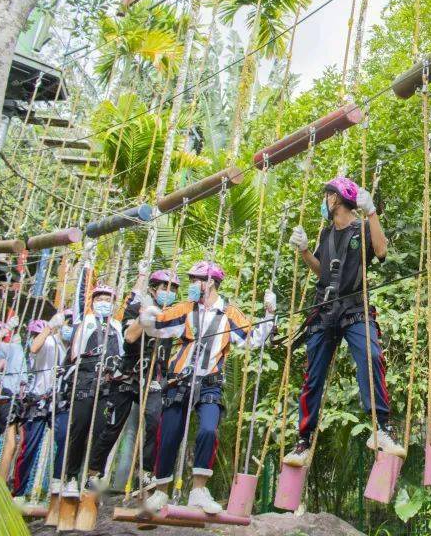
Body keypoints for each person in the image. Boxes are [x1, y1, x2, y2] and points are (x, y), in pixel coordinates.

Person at [282, 177, 402, 468]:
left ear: (335, 200)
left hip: (354, 308)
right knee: (313, 374)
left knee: (371, 356)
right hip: (325, 309)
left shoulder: (361, 229)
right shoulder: (326, 234)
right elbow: (322, 272)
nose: (324, 201)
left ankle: (381, 427)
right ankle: (303, 440)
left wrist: (371, 214)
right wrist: (305, 252)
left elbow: (382, 251)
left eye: (326, 196)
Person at [139, 261, 276, 515]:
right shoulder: (184, 309)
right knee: (168, 435)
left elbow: (253, 339)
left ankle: (199, 490)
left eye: (195, 280)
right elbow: (158, 326)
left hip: (210, 383)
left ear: (210, 282)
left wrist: (269, 314)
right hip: (180, 380)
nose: (191, 285)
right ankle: (161, 492)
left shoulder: (229, 314)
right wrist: (147, 315)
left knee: (208, 431)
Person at [85, 269, 179, 495]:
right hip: (128, 374)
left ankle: (146, 472)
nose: (169, 292)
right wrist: (143, 319)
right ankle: (93, 472)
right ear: (153, 289)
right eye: (164, 288)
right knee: (113, 426)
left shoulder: (172, 314)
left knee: (154, 421)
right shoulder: (136, 307)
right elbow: (129, 337)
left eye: (173, 289)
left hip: (153, 376)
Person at [59, 285, 123, 498]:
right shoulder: (84, 322)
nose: (104, 302)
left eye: (108, 299)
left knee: (101, 430)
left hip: (107, 383)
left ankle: (93, 474)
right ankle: (70, 476)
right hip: (85, 380)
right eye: (101, 298)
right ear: (94, 301)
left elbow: (122, 354)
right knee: (79, 428)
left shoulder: (116, 326)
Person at [13, 315, 64, 497]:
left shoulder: (68, 344)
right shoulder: (48, 341)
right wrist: (49, 327)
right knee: (29, 448)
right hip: (39, 400)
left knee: (65, 440)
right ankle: (18, 492)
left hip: (60, 401)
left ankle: (57, 488)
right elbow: (34, 347)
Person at [0, 315, 27, 482]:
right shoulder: (10, 348)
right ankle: (0, 482)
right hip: (8, 400)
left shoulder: (21, 351)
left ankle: (7, 477)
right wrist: (7, 328)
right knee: (10, 443)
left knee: (20, 442)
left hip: (18, 401)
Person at [47, 309, 75, 500]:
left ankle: (66, 478)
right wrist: (50, 327)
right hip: (56, 402)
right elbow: (34, 348)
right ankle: (57, 478)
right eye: (68, 324)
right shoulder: (52, 344)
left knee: (72, 439)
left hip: (73, 400)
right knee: (64, 437)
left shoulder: (77, 346)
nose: (70, 329)